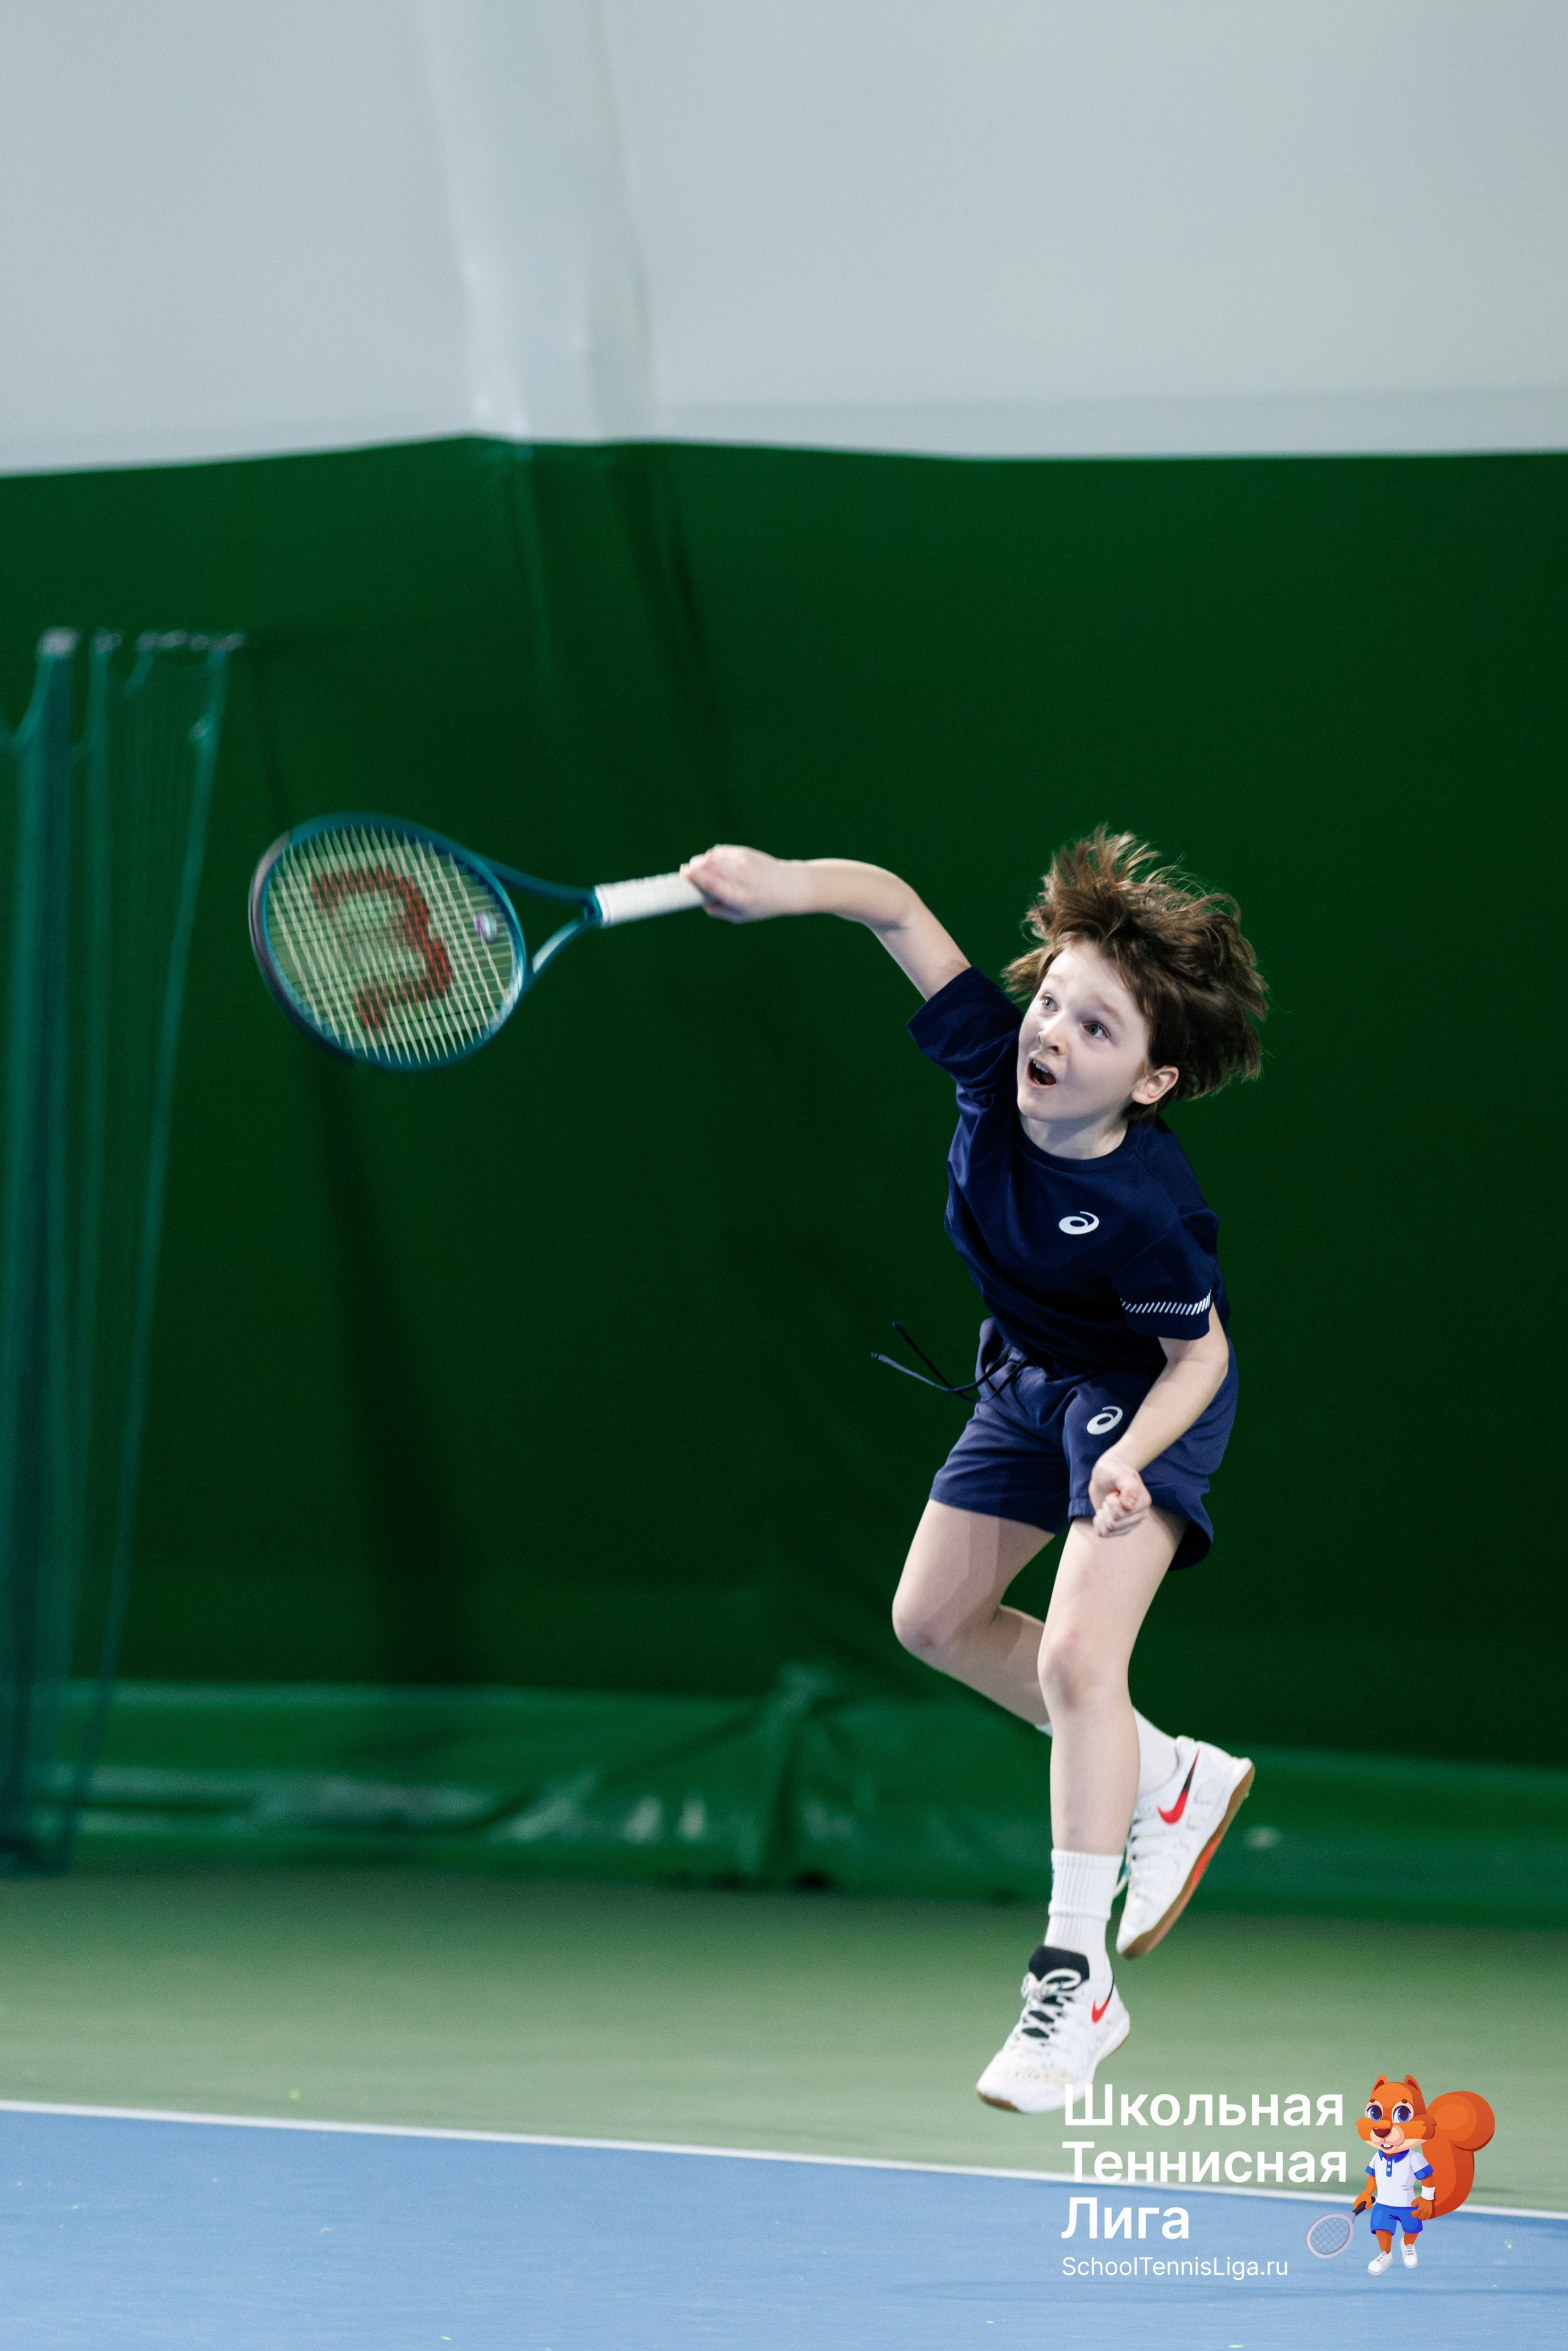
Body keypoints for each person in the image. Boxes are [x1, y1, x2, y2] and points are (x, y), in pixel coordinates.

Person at [680, 828, 1268, 2113]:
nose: (1048, 1031)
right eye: (1050, 998)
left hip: (1137, 1404)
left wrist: (1129, 1456)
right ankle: (1168, 1774)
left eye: (1093, 1027)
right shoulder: (988, 1063)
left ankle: (1074, 1975)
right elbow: (891, 900)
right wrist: (774, 885)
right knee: (932, 1619)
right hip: (1024, 1377)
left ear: (1153, 1078)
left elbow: (1197, 1358)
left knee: (1073, 1660)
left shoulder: (1139, 1208)